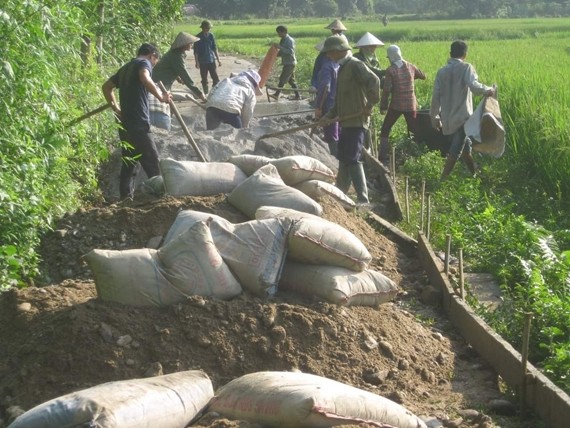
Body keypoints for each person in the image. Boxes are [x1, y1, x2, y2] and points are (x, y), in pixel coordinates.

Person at [102, 43, 172, 200]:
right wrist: (162, 97)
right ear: (152, 55)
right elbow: (145, 78)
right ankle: (161, 200)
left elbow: (106, 87)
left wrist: (116, 109)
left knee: (129, 165)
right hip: (138, 124)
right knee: (153, 162)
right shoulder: (143, 63)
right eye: (155, 61)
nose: (154, 65)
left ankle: (126, 200)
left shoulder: (126, 68)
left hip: (125, 125)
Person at [320, 35, 381, 204]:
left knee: (353, 158)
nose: (327, 56)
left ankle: (363, 199)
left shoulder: (355, 65)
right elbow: (340, 101)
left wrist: (370, 105)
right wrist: (328, 116)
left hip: (357, 120)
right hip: (345, 121)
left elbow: (374, 82)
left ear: (338, 51)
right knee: (344, 156)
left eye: (329, 53)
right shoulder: (342, 68)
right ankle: (341, 193)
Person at [430, 40, 495, 180]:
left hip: (448, 118)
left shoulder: (441, 72)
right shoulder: (466, 67)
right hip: (462, 117)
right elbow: (474, 86)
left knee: (465, 150)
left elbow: (435, 97)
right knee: (456, 150)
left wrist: (434, 117)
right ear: (465, 54)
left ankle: (474, 174)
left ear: (450, 54)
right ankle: (442, 180)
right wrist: (489, 90)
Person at [378, 45, 426, 166]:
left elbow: (386, 90)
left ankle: (383, 156)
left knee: (386, 128)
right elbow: (423, 75)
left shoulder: (391, 70)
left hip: (396, 105)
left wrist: (383, 106)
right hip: (411, 104)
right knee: (415, 130)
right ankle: (418, 155)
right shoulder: (410, 66)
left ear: (391, 57)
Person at [150, 32, 206, 131]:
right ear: (184, 45)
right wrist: (200, 94)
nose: (191, 45)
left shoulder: (177, 54)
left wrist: (177, 77)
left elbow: (172, 67)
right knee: (164, 101)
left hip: (163, 81)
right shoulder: (176, 56)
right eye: (190, 43)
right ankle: (163, 125)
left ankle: (168, 122)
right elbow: (186, 77)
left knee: (168, 102)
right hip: (160, 83)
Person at [314, 46, 340, 156]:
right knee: (338, 129)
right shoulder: (338, 66)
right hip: (339, 103)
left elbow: (325, 87)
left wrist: (319, 107)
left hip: (328, 104)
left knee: (330, 132)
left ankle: (335, 158)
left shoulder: (326, 67)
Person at [310, 19, 348, 91]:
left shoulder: (335, 39)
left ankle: (314, 85)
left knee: (319, 65)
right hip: (339, 62)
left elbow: (317, 67)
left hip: (332, 62)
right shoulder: (344, 39)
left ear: (333, 30)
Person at [270, 25, 300, 101]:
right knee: (291, 81)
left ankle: (276, 94)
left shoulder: (290, 40)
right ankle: (298, 96)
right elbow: (282, 52)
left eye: (279, 33)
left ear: (284, 32)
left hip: (290, 63)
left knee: (282, 79)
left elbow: (290, 51)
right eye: (278, 33)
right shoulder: (283, 40)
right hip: (287, 62)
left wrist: (280, 47)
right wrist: (274, 54)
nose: (278, 35)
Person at [193, 20, 221, 95]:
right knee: (204, 79)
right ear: (202, 28)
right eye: (206, 28)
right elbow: (196, 52)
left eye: (208, 28)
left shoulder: (211, 36)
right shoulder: (198, 37)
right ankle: (205, 94)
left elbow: (214, 48)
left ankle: (214, 93)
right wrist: (197, 62)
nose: (207, 29)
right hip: (202, 62)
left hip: (211, 60)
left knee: (215, 78)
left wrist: (218, 59)